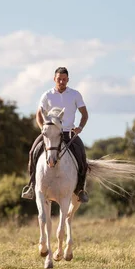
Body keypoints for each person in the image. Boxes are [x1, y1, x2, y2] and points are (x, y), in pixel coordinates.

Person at [21, 66, 90, 203]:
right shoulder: (47, 95)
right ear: (54, 79)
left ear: (68, 80)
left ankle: (80, 189)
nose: (62, 82)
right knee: (32, 152)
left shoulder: (75, 94)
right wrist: (43, 129)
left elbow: (84, 114)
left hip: (68, 133)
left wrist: (80, 128)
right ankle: (32, 186)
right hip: (50, 133)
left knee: (82, 155)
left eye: (64, 79)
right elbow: (39, 115)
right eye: (59, 79)